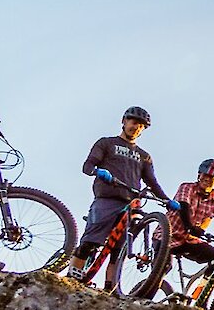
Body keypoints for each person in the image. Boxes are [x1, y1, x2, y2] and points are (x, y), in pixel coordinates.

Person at [66, 106, 179, 277]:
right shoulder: (106, 143)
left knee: (118, 252)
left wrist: (167, 200)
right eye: (133, 122)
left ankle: (110, 288)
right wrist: (98, 172)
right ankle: (72, 276)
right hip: (107, 199)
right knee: (90, 241)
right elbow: (87, 166)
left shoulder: (144, 156)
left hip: (130, 206)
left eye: (141, 126)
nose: (136, 127)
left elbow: (152, 182)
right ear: (124, 121)